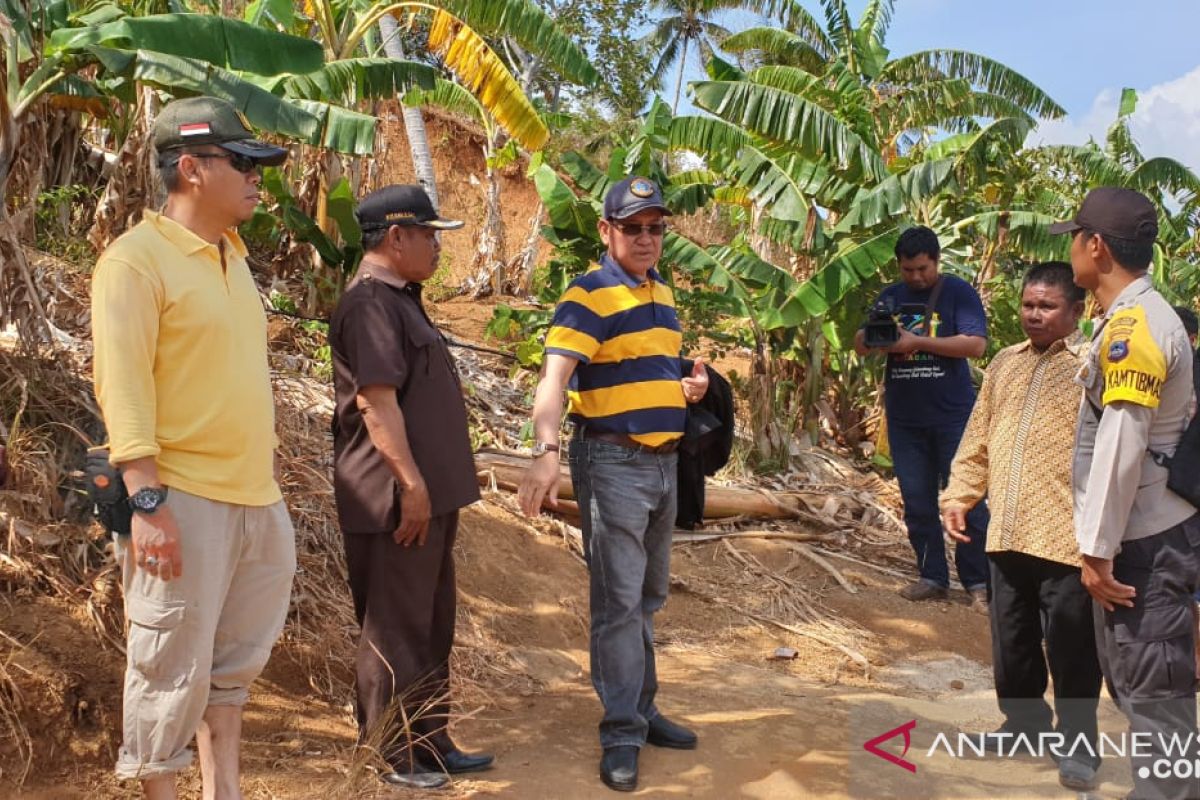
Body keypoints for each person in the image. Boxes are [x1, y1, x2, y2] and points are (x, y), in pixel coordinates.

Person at [91, 96, 297, 799]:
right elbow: (123, 385)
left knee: (227, 675)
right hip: (181, 498)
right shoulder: (134, 261)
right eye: (241, 163)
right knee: (168, 669)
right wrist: (146, 499)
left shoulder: (232, 258)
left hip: (254, 499)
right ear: (190, 169)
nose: (256, 177)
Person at [516, 176, 709, 793]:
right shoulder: (588, 294)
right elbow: (555, 380)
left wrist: (687, 389)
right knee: (619, 603)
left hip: (663, 466)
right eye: (633, 228)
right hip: (614, 464)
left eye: (656, 227)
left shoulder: (664, 294)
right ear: (606, 231)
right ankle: (622, 728)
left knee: (649, 598)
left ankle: (644, 709)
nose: (647, 238)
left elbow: (645, 370)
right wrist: (545, 453)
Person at [328, 185, 492, 789]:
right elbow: (376, 404)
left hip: (427, 495)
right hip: (393, 497)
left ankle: (430, 742)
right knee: (393, 627)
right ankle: (389, 754)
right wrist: (411, 484)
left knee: (429, 622)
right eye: (429, 235)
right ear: (396, 238)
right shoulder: (371, 303)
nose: (437, 247)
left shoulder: (401, 300)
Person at [1052, 186, 1200, 800]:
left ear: (1096, 246)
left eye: (1076, 237)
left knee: (1157, 701)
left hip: (1144, 543)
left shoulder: (1136, 328)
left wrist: (1097, 549)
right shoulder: (1126, 318)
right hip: (1139, 536)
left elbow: (1122, 443)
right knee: (1138, 687)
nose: (1072, 250)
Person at [941, 262, 1101, 791]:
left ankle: (1080, 746)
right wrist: (959, 496)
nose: (1033, 315)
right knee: (1012, 643)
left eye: (1047, 306)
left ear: (1076, 310)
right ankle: (1023, 726)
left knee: (1073, 648)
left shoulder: (1093, 366)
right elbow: (977, 438)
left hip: (1068, 537)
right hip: (1007, 529)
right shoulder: (1005, 364)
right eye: (1028, 305)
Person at [854, 226, 991, 609]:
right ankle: (932, 576)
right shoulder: (890, 296)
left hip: (953, 417)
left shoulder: (957, 293)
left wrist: (917, 342)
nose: (915, 277)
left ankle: (978, 583)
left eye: (922, 269)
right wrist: (873, 336)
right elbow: (861, 344)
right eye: (907, 270)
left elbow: (976, 345)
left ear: (936, 261)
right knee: (916, 501)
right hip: (904, 419)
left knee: (967, 500)